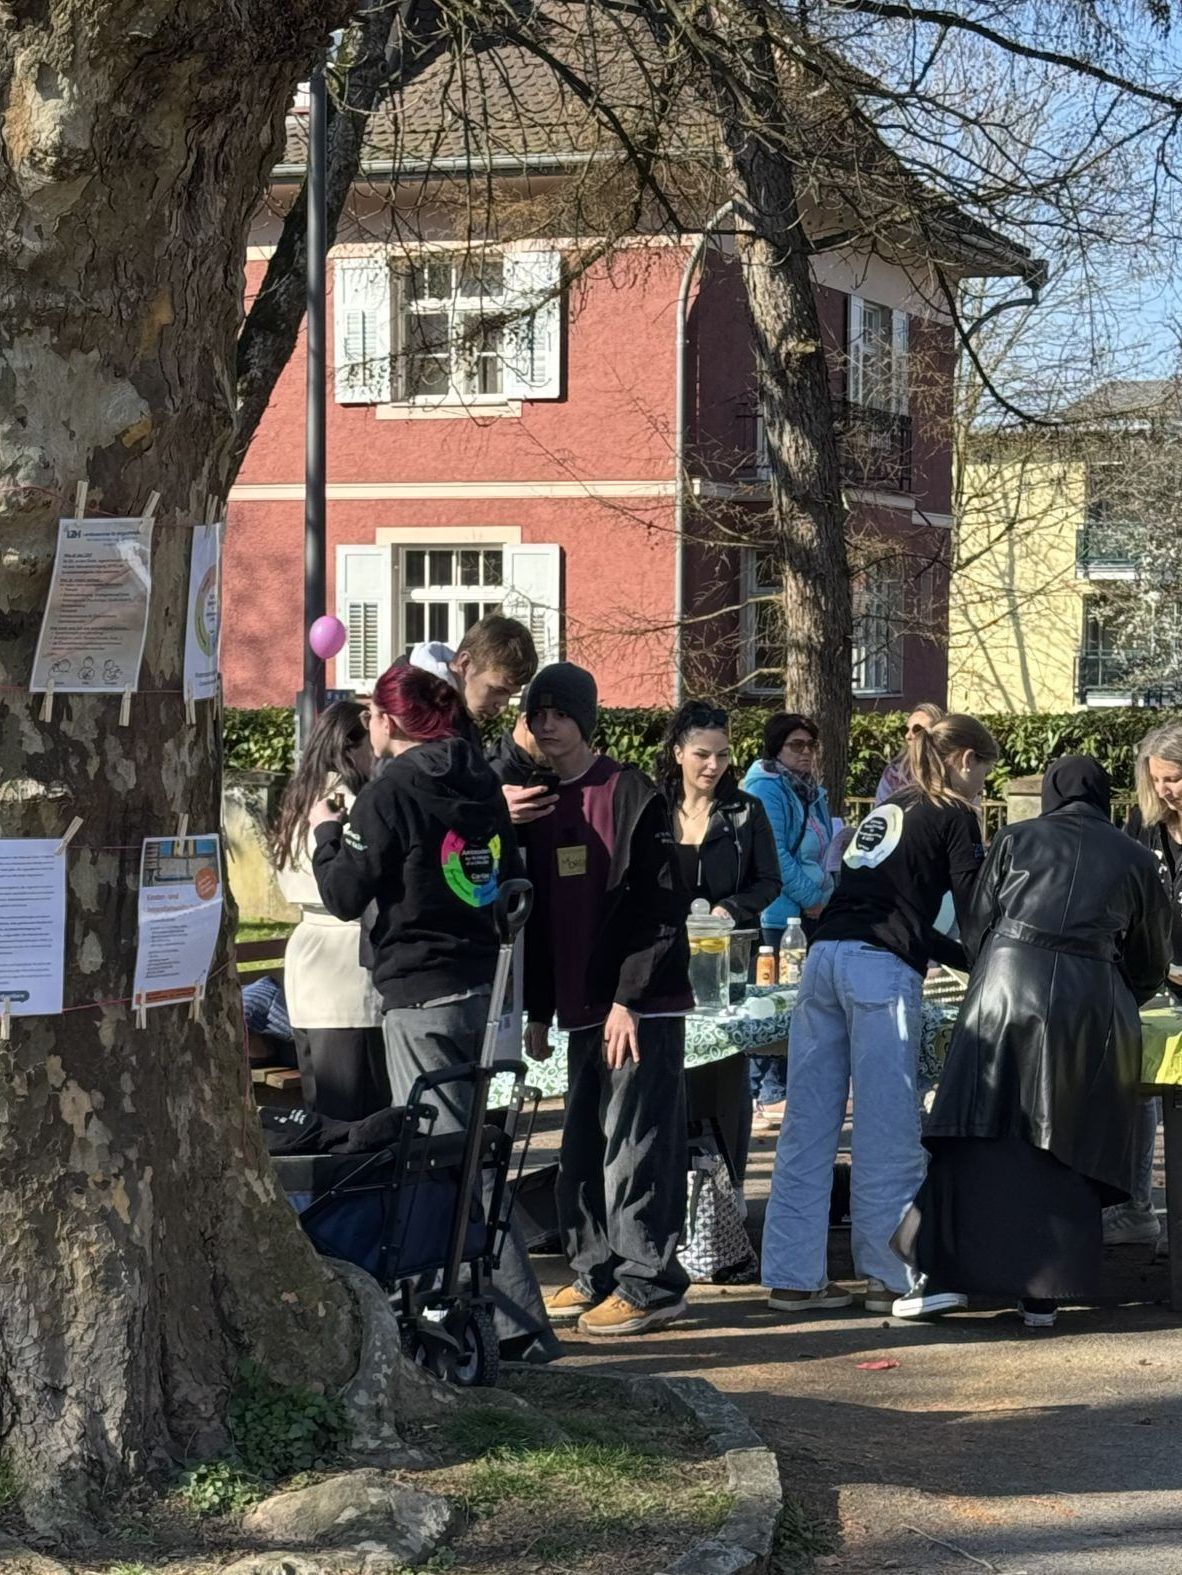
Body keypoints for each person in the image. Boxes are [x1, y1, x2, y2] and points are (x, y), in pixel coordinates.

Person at [309, 662, 557, 1362]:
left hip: (418, 987)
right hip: (482, 977)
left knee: (448, 1159)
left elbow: (344, 893)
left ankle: (512, 1324)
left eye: (372, 717)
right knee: (471, 1146)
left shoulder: (389, 789)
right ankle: (482, 1307)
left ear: (389, 721)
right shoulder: (477, 774)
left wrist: (329, 835)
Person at [895, 756, 1170, 1328]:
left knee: (983, 1131)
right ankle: (1043, 1293)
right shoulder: (1136, 857)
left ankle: (947, 1278)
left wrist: (988, 964)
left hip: (1003, 988)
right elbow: (1150, 959)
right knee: (1068, 1138)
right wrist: (1119, 994)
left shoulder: (1017, 838)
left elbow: (978, 925)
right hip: (1091, 999)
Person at [762, 713, 998, 1317]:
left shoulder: (886, 809)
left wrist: (954, 957)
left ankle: (792, 1276)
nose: (984, 790)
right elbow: (973, 906)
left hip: (824, 958)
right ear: (966, 760)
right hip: (878, 970)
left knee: (808, 1121)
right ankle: (891, 1275)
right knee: (886, 1123)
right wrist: (992, 962)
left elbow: (894, 910)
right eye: (985, 776)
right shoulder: (954, 813)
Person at [520, 662, 694, 1337]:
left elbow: (660, 906)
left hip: (637, 1007)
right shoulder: (537, 801)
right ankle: (594, 1268)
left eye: (560, 712)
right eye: (537, 712)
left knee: (637, 1146)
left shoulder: (630, 793)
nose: (547, 724)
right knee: (586, 1146)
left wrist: (631, 996)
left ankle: (651, 1281)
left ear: (585, 719)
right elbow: (537, 918)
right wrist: (538, 1008)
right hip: (578, 1007)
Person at [657, 700, 782, 1184]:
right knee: (669, 1075)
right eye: (702, 755)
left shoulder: (745, 811)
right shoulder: (652, 806)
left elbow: (768, 881)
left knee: (723, 1078)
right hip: (662, 960)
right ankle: (669, 1179)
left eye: (724, 755)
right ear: (677, 753)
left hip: (724, 964)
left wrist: (733, 908)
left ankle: (723, 1183)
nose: (714, 766)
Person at [271, 701, 389, 1121]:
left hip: (309, 960)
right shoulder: (350, 800)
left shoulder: (299, 796)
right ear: (349, 746)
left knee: (323, 1106)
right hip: (346, 965)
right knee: (359, 1115)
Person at [741, 713, 834, 1130]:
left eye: (811, 745)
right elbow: (775, 855)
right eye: (797, 745)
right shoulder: (766, 789)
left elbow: (824, 846)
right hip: (778, 912)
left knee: (799, 1001)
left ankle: (780, 1087)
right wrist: (813, 896)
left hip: (810, 909)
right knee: (770, 999)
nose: (806, 753)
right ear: (775, 748)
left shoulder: (813, 791)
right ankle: (764, 1092)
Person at [1111, 721, 1182, 1246]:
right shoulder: (1142, 826)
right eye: (1157, 780)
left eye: (1176, 779)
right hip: (1154, 978)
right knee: (1136, 1088)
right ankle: (1135, 1207)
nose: (1165, 791)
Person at [874, 703, 947, 806]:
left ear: (938, 734)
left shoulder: (952, 771)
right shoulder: (894, 775)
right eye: (905, 730)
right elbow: (881, 813)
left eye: (917, 729)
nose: (908, 736)